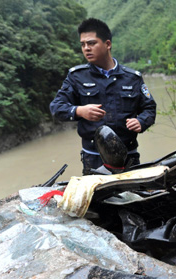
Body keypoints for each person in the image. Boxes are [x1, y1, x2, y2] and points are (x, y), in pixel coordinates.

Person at [50, 18, 156, 175]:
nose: (86, 48)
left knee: (133, 196)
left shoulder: (132, 77)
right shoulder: (76, 76)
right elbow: (56, 107)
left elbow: (149, 108)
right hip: (93, 158)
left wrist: (141, 121)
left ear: (107, 44)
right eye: (83, 44)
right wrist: (79, 111)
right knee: (98, 198)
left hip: (129, 156)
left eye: (91, 43)